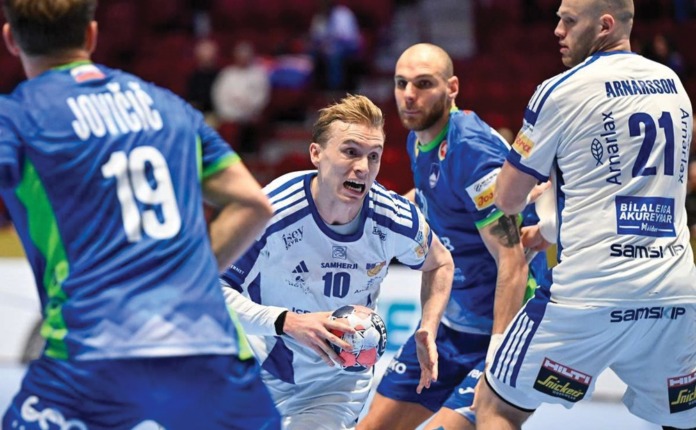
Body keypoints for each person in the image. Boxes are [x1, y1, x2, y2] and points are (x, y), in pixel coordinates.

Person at [0, 1, 280, 429]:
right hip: (206, 350)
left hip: (92, 354)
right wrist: (183, 276)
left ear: (10, 39)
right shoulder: (170, 107)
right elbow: (253, 204)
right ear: (91, 35)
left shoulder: (16, 117)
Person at [475, 1, 696, 429]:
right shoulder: (674, 85)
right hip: (674, 295)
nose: (557, 30)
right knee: (683, 421)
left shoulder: (561, 90)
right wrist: (554, 227)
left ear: (604, 26)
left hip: (589, 297)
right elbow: (635, 188)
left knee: (497, 404)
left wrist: (532, 198)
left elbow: (508, 199)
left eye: (569, 21)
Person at [220, 94, 455, 429]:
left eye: (373, 156)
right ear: (316, 154)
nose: (363, 167)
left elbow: (440, 263)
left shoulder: (394, 218)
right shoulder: (271, 211)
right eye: (350, 152)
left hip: (337, 382)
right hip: (258, 367)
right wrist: (286, 321)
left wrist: (429, 326)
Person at [360, 43, 547, 430]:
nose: (409, 95)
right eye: (401, 83)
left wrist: (498, 357)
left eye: (423, 83)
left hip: (505, 328)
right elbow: (431, 198)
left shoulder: (471, 151)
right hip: (451, 328)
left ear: (452, 88)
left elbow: (511, 260)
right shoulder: (419, 138)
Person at [211, 40, 271, 154]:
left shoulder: (258, 74)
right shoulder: (227, 74)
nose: (243, 59)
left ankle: (251, 154)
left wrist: (250, 108)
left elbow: (262, 96)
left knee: (252, 125)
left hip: (251, 114)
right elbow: (219, 96)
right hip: (229, 113)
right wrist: (228, 113)